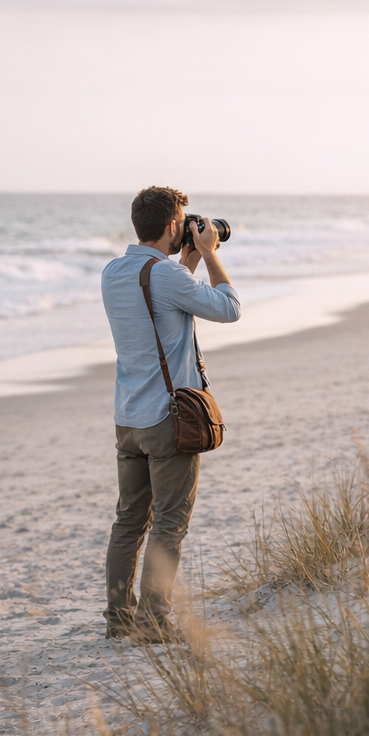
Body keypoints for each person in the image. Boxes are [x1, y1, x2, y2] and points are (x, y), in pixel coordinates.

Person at [101, 186, 241, 641]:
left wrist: (189, 261)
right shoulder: (166, 278)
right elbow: (229, 309)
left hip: (129, 419)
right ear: (170, 226)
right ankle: (155, 622)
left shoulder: (114, 272)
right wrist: (209, 252)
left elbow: (161, 303)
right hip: (168, 419)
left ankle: (120, 621)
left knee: (128, 522)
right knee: (169, 522)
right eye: (182, 221)